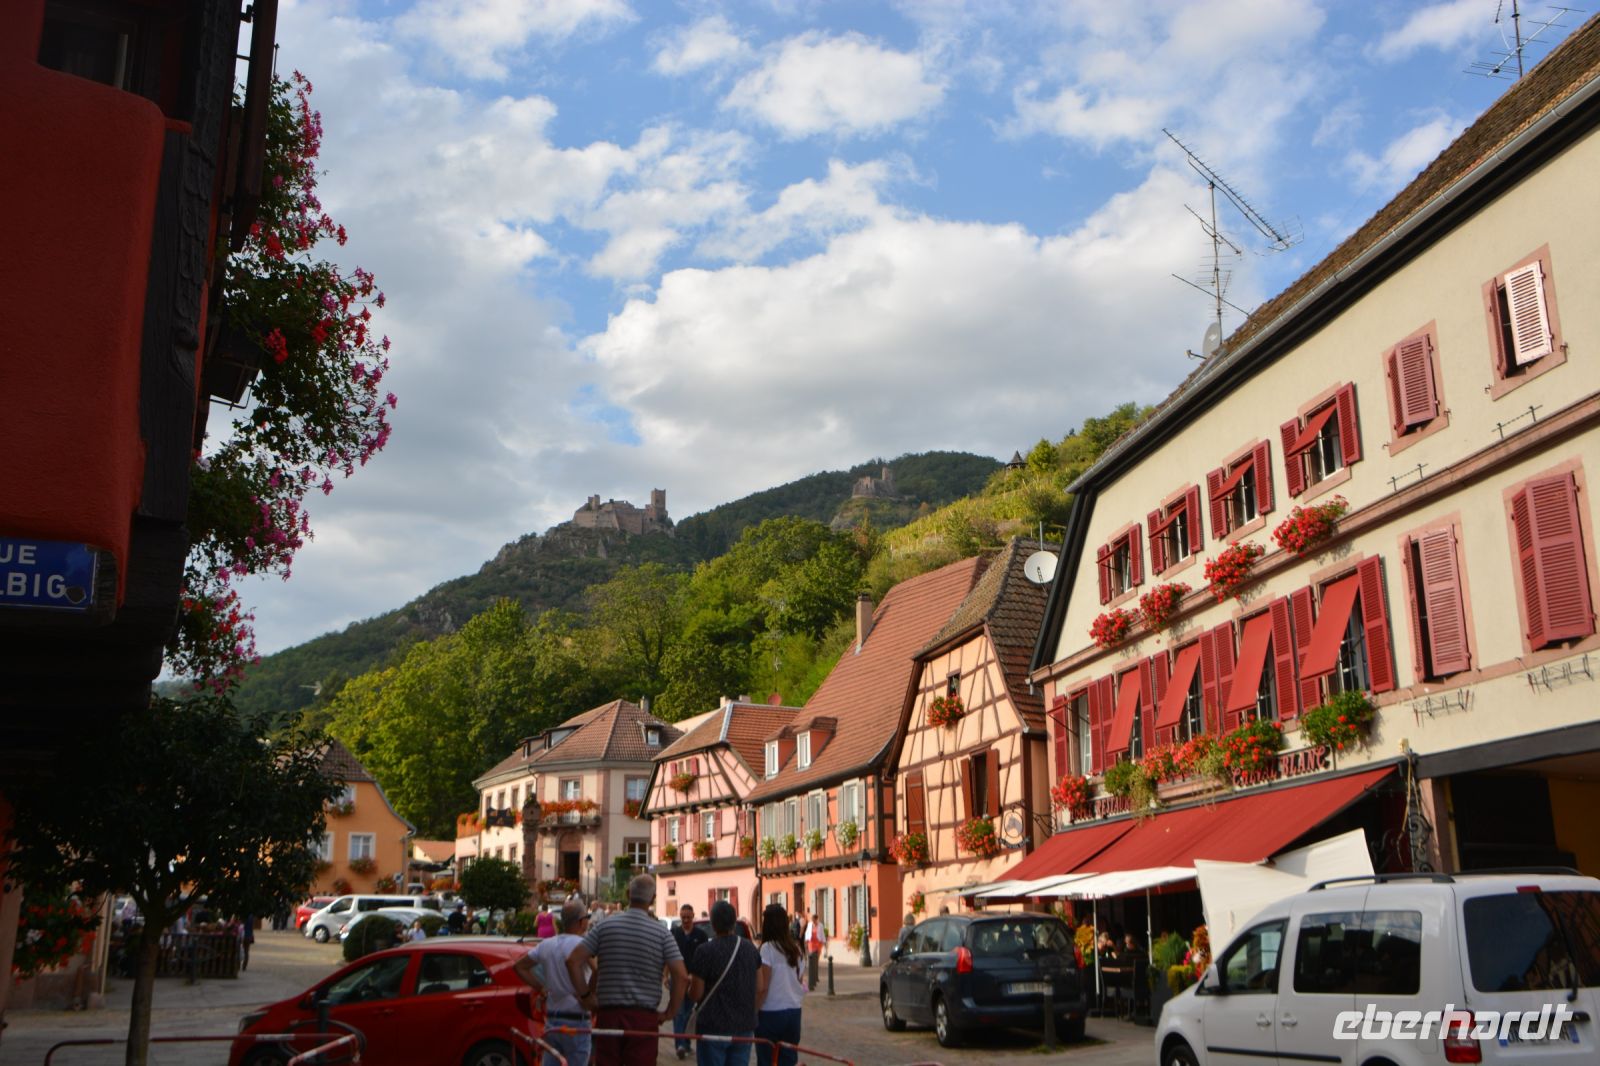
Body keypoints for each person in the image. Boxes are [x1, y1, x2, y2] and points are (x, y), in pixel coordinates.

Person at [566, 874, 687, 1066]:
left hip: (609, 1015)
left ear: (628, 894)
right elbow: (681, 975)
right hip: (644, 1018)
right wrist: (669, 1012)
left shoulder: (604, 926)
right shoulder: (662, 934)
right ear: (653, 899)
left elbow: (573, 961)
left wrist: (586, 996)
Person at [515, 899, 593, 1066]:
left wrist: (541, 987)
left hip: (553, 1020)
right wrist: (588, 996)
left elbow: (519, 967)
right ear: (581, 921)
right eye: (587, 917)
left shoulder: (547, 945)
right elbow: (598, 969)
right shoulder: (583, 945)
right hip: (577, 1020)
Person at [687, 901, 763, 1066]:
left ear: (713, 924)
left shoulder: (704, 951)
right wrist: (750, 1013)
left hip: (713, 1027)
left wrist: (689, 987)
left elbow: (696, 994)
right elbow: (760, 987)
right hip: (743, 1027)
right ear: (734, 922)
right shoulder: (750, 949)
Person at [755, 904, 806, 1066]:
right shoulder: (797, 950)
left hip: (770, 1012)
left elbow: (763, 986)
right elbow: (799, 982)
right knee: (789, 1059)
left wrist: (754, 1010)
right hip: (793, 1011)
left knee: (767, 1060)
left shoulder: (767, 949)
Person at [672, 904, 709, 1058]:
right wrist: (665, 975)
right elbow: (669, 956)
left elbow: (705, 959)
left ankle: (686, 1044)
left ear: (693, 916)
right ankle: (680, 1045)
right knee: (679, 1012)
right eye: (683, 917)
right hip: (678, 980)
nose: (686, 920)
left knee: (689, 1013)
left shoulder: (701, 935)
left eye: (688, 917)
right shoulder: (674, 933)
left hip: (695, 980)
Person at [802, 912, 823, 991]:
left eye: (814, 919)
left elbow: (822, 934)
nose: (813, 921)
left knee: (816, 960)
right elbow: (807, 933)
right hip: (811, 943)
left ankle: (816, 977)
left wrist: (823, 941)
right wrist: (806, 941)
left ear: (816, 919)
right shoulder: (810, 925)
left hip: (818, 944)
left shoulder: (820, 925)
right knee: (811, 959)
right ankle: (813, 979)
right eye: (812, 919)